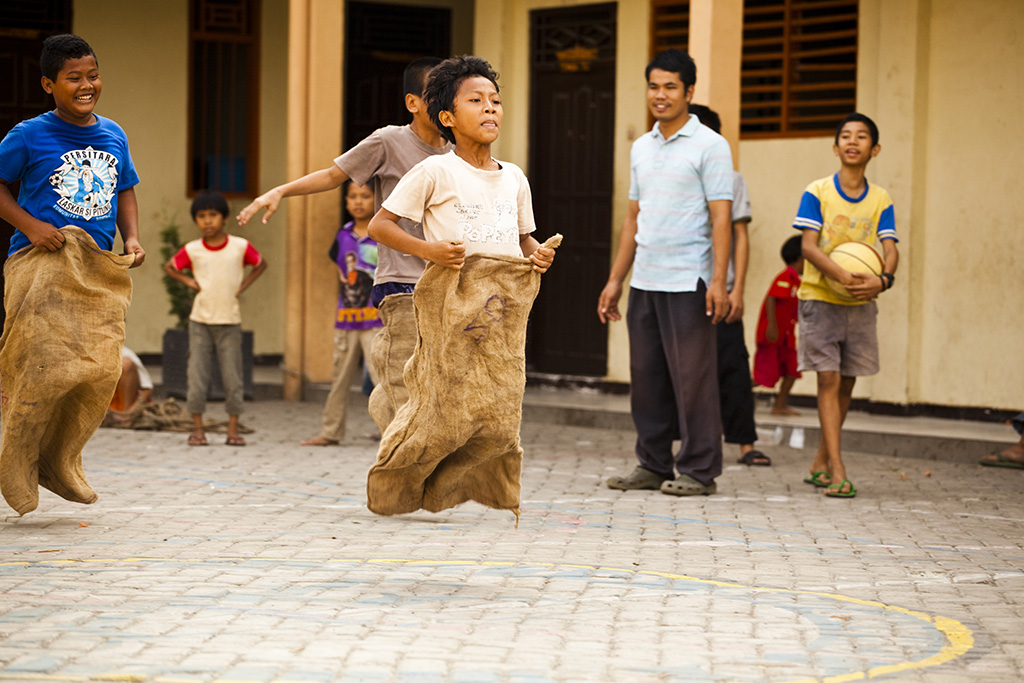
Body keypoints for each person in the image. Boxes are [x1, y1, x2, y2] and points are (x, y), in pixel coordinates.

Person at [597, 49, 733, 496]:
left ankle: (699, 469)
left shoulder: (711, 146)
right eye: (654, 86)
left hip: (689, 280)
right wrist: (616, 279)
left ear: (689, 91)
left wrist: (718, 281)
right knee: (648, 379)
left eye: (670, 86)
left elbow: (721, 219)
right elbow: (632, 217)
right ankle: (653, 465)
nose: (660, 95)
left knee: (692, 380)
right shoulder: (641, 146)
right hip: (645, 280)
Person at [0, 35, 145, 439]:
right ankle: (20, 457)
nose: (87, 85)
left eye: (94, 76)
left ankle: (59, 457)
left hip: (97, 268)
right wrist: (31, 226)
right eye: (74, 78)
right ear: (49, 85)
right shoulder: (29, 135)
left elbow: (125, 188)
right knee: (36, 363)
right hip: (40, 266)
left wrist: (131, 238)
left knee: (101, 364)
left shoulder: (114, 133)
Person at [236, 57, 448, 307]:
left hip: (443, 280)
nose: (446, 103)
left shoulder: (457, 151)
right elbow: (331, 176)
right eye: (437, 95)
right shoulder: (388, 140)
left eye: (449, 95)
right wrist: (280, 191)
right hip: (401, 281)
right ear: (413, 103)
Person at [794, 112, 899, 499]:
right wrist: (838, 274)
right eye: (846, 136)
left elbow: (890, 248)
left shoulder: (881, 198)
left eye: (862, 136)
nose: (853, 142)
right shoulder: (817, 191)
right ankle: (838, 470)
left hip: (861, 302)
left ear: (875, 149)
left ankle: (821, 460)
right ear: (835, 147)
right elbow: (807, 246)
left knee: (847, 382)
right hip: (820, 299)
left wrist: (882, 280)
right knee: (828, 379)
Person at [689, 103, 768, 468]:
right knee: (682, 370)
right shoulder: (671, 174)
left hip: (722, 289)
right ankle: (683, 443)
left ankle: (745, 444)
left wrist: (737, 290)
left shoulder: (733, 180)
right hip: (680, 287)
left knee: (733, 366)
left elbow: (741, 236)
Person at [164, 191, 267, 447]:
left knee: (233, 378)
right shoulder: (193, 249)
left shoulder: (239, 246)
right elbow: (170, 266)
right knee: (196, 376)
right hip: (199, 321)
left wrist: (243, 286)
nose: (207, 221)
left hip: (229, 322)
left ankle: (232, 429)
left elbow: (261, 264)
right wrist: (188, 280)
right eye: (201, 216)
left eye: (213, 215)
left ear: (225, 218)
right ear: (195, 220)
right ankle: (198, 430)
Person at [301, 182, 382, 446]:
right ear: (346, 202)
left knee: (383, 379)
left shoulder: (383, 232)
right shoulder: (342, 236)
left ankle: (392, 433)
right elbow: (338, 267)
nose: (359, 202)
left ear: (376, 199)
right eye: (353, 197)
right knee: (339, 379)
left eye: (365, 196)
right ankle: (331, 432)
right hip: (346, 320)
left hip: (377, 321)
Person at [753, 235, 804, 416]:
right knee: (764, 375)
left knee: (792, 370)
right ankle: (728, 396)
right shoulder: (785, 276)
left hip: (786, 338)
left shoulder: (797, 281)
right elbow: (771, 298)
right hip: (772, 337)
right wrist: (772, 326)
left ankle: (780, 405)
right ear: (801, 257)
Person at [106, 347, 154, 421]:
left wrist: (131, 411)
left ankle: (124, 417)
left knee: (127, 364)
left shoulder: (124, 352)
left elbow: (147, 388)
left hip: (122, 407)